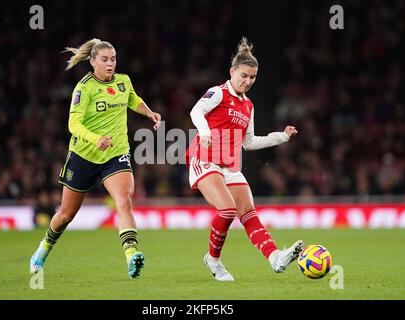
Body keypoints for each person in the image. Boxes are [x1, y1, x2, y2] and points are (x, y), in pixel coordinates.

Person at [29, 38, 161, 279]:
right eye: (105, 60)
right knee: (66, 215)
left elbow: (132, 99)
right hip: (84, 156)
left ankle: (131, 254)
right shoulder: (84, 88)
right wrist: (95, 138)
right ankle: (43, 248)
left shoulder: (123, 81)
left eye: (113, 59)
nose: (110, 64)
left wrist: (148, 112)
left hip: (115, 153)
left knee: (124, 199)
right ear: (92, 62)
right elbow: (73, 124)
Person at [186, 37, 303, 281]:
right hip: (205, 160)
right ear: (232, 71)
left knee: (248, 212)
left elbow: (248, 142)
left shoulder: (247, 106)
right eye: (244, 76)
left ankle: (275, 257)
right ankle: (214, 261)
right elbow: (196, 111)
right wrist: (205, 133)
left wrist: (281, 137)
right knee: (227, 210)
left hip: (229, 165)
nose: (247, 81)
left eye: (252, 77)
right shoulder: (218, 93)